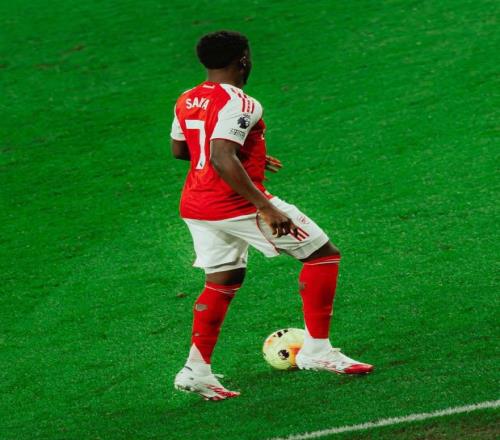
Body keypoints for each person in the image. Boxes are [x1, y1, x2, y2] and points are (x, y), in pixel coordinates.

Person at [170, 30, 373, 401]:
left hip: (196, 205)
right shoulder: (242, 103)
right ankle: (318, 351)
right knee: (322, 255)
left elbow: (182, 149)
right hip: (234, 204)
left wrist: (247, 156)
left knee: (223, 279)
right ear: (243, 60)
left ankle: (196, 370)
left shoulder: (187, 98)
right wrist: (265, 206)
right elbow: (220, 156)